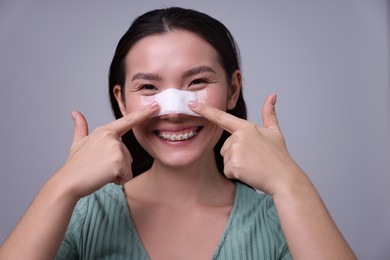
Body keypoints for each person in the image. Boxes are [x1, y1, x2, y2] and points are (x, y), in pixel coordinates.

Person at [0, 7, 356, 260]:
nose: (172, 110)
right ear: (121, 101)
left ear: (233, 90)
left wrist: (289, 182)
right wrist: (61, 186)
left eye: (197, 81)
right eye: (149, 87)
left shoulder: (282, 216)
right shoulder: (80, 215)